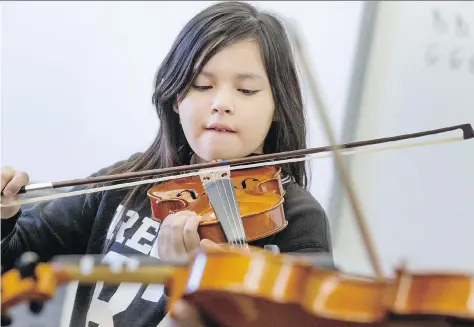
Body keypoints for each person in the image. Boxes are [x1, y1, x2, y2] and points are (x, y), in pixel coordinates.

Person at [1, 1, 333, 327]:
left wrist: (200, 284)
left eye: (246, 90)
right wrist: (4, 218)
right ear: (176, 98)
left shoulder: (297, 220)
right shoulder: (129, 181)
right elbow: (17, 261)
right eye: (203, 85)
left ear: (278, 104)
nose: (221, 104)